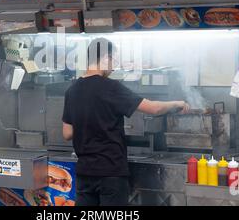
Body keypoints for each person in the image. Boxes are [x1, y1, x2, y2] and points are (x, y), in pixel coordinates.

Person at [61, 38, 190, 206]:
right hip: (110, 172)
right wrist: (177, 103)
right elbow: (153, 108)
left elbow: (67, 133)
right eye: (114, 60)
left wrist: (88, 123)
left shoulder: (72, 90)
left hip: (84, 173)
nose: (114, 67)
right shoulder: (110, 87)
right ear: (106, 57)